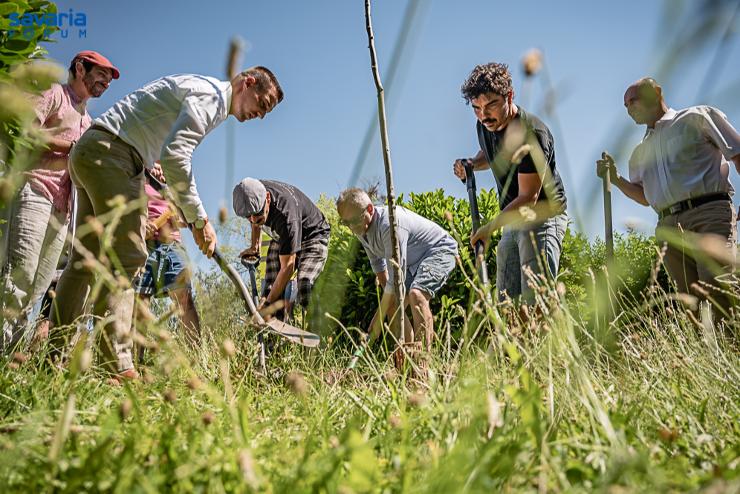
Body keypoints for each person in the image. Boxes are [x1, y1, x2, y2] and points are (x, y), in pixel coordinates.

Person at [50, 67, 283, 380]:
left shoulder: (201, 88)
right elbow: (175, 156)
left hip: (92, 149)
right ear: (248, 82)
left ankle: (54, 359)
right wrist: (200, 221)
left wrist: (189, 216)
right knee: (127, 256)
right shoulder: (212, 97)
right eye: (263, 104)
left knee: (83, 261)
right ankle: (116, 367)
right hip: (115, 155)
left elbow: (168, 160)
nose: (261, 115)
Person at [1, 51, 118, 351]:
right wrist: (72, 146)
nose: (106, 81)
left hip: (63, 210)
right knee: (20, 274)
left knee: (39, 286)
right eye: (102, 73)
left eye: (109, 78)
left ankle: (11, 357)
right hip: (35, 190)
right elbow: (26, 131)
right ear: (81, 68)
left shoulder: (90, 121)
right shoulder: (54, 94)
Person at [597, 77, 740, 316]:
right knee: (689, 302)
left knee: (718, 290)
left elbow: (737, 154)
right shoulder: (640, 152)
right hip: (668, 227)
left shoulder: (697, 117)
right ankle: (702, 353)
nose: (629, 108)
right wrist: (616, 178)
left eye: (633, 100)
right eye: (625, 105)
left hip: (708, 212)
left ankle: (729, 349)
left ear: (656, 93)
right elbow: (644, 196)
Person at [453, 62, 568, 305]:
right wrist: (472, 163)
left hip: (541, 219)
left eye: (491, 105)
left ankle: (552, 343)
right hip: (512, 220)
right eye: (476, 108)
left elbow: (528, 197)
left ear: (510, 96)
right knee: (506, 301)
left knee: (537, 301)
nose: (484, 115)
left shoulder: (532, 134)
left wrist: (488, 228)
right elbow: (491, 151)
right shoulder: (484, 125)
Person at [336, 188, 457, 353]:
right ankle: (407, 357)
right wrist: (383, 310)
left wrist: (379, 317)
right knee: (392, 305)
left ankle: (422, 360)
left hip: (439, 250)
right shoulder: (360, 228)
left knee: (417, 294)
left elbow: (395, 278)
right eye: (345, 223)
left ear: (369, 209)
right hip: (412, 263)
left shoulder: (390, 225)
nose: (350, 227)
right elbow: (379, 266)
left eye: (354, 221)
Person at [233, 178, 330, 321]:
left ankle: (320, 330)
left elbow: (288, 268)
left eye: (258, 216)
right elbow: (254, 215)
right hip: (285, 237)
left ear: (267, 198)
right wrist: (255, 247)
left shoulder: (285, 216)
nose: (253, 221)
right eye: (248, 217)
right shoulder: (253, 192)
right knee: (270, 288)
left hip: (312, 235)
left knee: (304, 285)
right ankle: (274, 335)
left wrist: (267, 305)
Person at [133, 163, 200, 346]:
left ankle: (197, 359)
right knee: (140, 303)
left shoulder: (173, 179)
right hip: (144, 244)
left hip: (172, 245)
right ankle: (136, 364)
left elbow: (186, 217)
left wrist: (174, 217)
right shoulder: (137, 172)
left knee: (184, 299)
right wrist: (142, 225)